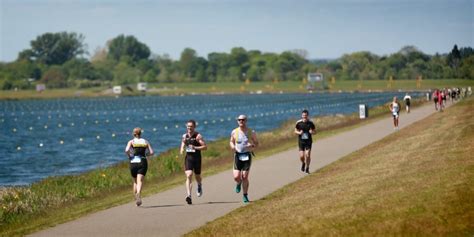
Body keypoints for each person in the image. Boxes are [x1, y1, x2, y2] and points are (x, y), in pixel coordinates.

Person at [229, 114, 258, 203]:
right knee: (236, 177)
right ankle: (238, 183)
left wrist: (252, 145)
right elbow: (231, 141)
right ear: (237, 121)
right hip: (237, 155)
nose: (241, 121)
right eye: (239, 120)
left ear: (246, 121)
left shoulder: (251, 132)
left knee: (245, 176)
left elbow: (256, 143)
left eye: (243, 120)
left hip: (247, 155)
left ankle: (245, 195)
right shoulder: (234, 132)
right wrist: (232, 146)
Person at [180, 119, 207, 205]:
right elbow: (183, 142)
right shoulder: (184, 136)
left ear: (194, 127)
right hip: (188, 158)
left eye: (191, 126)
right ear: (186, 127)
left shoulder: (198, 136)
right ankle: (189, 196)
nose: (189, 128)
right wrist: (181, 148)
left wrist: (195, 147)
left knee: (197, 176)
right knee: (189, 175)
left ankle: (199, 185)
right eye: (188, 126)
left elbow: (205, 147)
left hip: (197, 159)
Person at [125, 127, 154, 206]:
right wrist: (146, 154)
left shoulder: (131, 141)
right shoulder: (145, 141)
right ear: (140, 133)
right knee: (140, 180)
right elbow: (152, 152)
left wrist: (129, 156)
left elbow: (126, 150)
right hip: (142, 161)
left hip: (133, 162)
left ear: (133, 134)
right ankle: (138, 194)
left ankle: (136, 198)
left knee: (135, 181)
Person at [294, 109, 316, 174]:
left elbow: (315, 131)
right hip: (301, 141)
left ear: (307, 116)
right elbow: (295, 131)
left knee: (308, 154)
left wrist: (312, 132)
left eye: (305, 115)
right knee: (301, 156)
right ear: (301, 115)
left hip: (308, 141)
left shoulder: (310, 123)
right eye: (303, 115)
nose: (304, 116)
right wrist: (299, 133)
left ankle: (307, 167)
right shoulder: (298, 123)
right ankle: (303, 163)